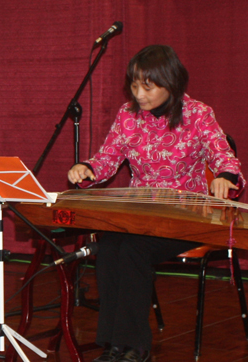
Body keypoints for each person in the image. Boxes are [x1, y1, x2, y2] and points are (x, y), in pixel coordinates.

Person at [67, 45, 245, 362]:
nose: (139, 94)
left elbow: (224, 156)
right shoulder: (128, 116)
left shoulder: (198, 115)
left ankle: (135, 348)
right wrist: (88, 170)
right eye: (134, 86)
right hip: (141, 215)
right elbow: (107, 160)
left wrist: (225, 177)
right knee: (109, 248)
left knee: (134, 249)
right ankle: (113, 346)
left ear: (170, 83)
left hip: (185, 217)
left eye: (147, 87)